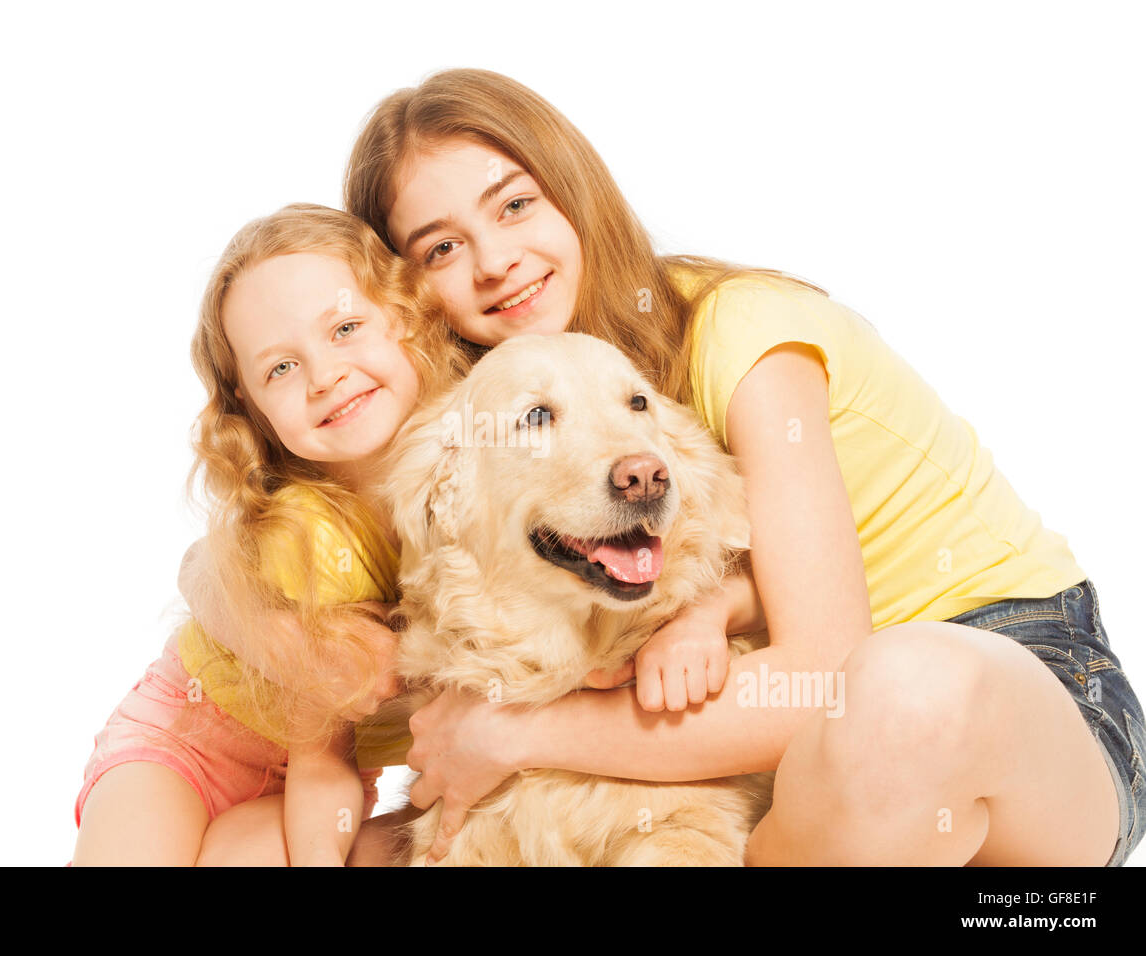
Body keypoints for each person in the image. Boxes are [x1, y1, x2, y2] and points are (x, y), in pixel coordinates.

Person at [333, 68, 1145, 866]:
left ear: (574, 192)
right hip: (809, 785)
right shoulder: (476, 438)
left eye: (515, 204)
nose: (496, 260)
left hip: (1011, 692)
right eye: (442, 247)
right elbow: (411, 678)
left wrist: (509, 733)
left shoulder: (740, 334)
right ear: (405, 292)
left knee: (900, 691)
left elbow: (822, 676)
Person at [72, 204, 464, 865]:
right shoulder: (304, 530)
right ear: (250, 409)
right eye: (280, 369)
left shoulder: (487, 473)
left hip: (313, 779)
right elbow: (322, 758)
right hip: (184, 742)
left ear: (406, 317)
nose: (325, 376)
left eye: (345, 327)